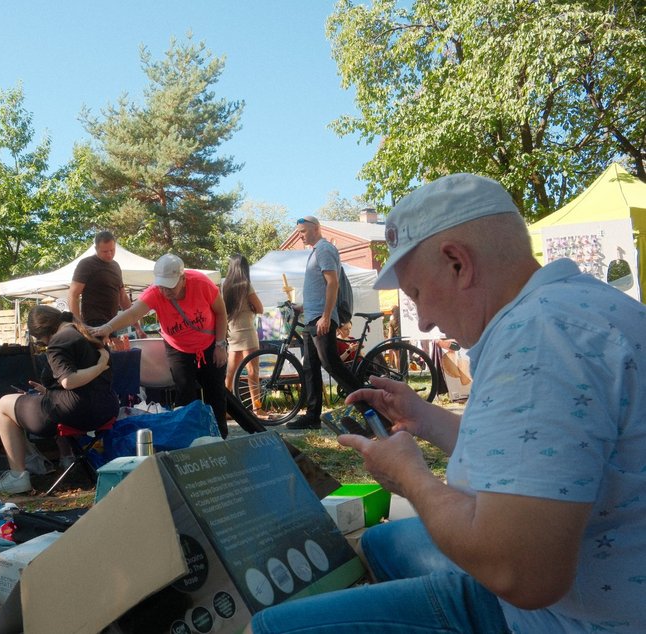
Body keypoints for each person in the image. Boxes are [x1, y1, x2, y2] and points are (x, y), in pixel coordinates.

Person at [248, 173, 646, 633]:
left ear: (458, 263)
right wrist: (424, 418)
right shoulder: (579, 306)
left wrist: (412, 479)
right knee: (383, 543)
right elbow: (542, 457)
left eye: (416, 295)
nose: (429, 321)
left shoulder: (538, 340)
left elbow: (519, 574)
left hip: (555, 619)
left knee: (271, 628)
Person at [89, 254, 230, 437]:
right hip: (178, 347)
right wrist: (107, 327)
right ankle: (189, 438)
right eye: (162, 286)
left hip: (210, 343)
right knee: (184, 392)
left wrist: (220, 345)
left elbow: (221, 312)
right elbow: (133, 314)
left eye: (170, 286)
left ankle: (220, 437)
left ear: (183, 279)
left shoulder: (202, 283)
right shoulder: (155, 292)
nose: (166, 292)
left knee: (215, 392)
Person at [0, 306, 118, 495]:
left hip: (75, 411)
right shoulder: (87, 333)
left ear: (42, 333)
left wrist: (100, 367)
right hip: (105, 409)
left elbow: (69, 380)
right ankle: (66, 457)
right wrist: (49, 390)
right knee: (35, 402)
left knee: (4, 404)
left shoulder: (59, 341)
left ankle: (17, 477)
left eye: (40, 341)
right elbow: (82, 382)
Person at [287, 215, 356, 430]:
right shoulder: (315, 251)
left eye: (303, 231)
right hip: (312, 317)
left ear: (316, 228)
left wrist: (326, 316)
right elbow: (319, 289)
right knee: (310, 367)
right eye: (298, 232)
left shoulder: (325, 249)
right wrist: (303, 307)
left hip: (321, 319)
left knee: (330, 363)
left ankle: (370, 403)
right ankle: (312, 416)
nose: (300, 236)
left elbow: (332, 283)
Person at [68, 230, 144, 337]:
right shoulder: (86, 264)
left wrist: (137, 327)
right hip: (94, 323)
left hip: (113, 322)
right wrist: (78, 325)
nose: (109, 254)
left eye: (112, 250)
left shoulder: (116, 266)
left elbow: (122, 297)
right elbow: (73, 294)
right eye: (105, 251)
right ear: (96, 249)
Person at [221, 254, 264, 415]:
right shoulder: (246, 286)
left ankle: (225, 409)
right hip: (247, 333)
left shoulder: (225, 286)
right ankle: (257, 408)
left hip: (232, 334)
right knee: (253, 373)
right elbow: (260, 309)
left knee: (229, 376)